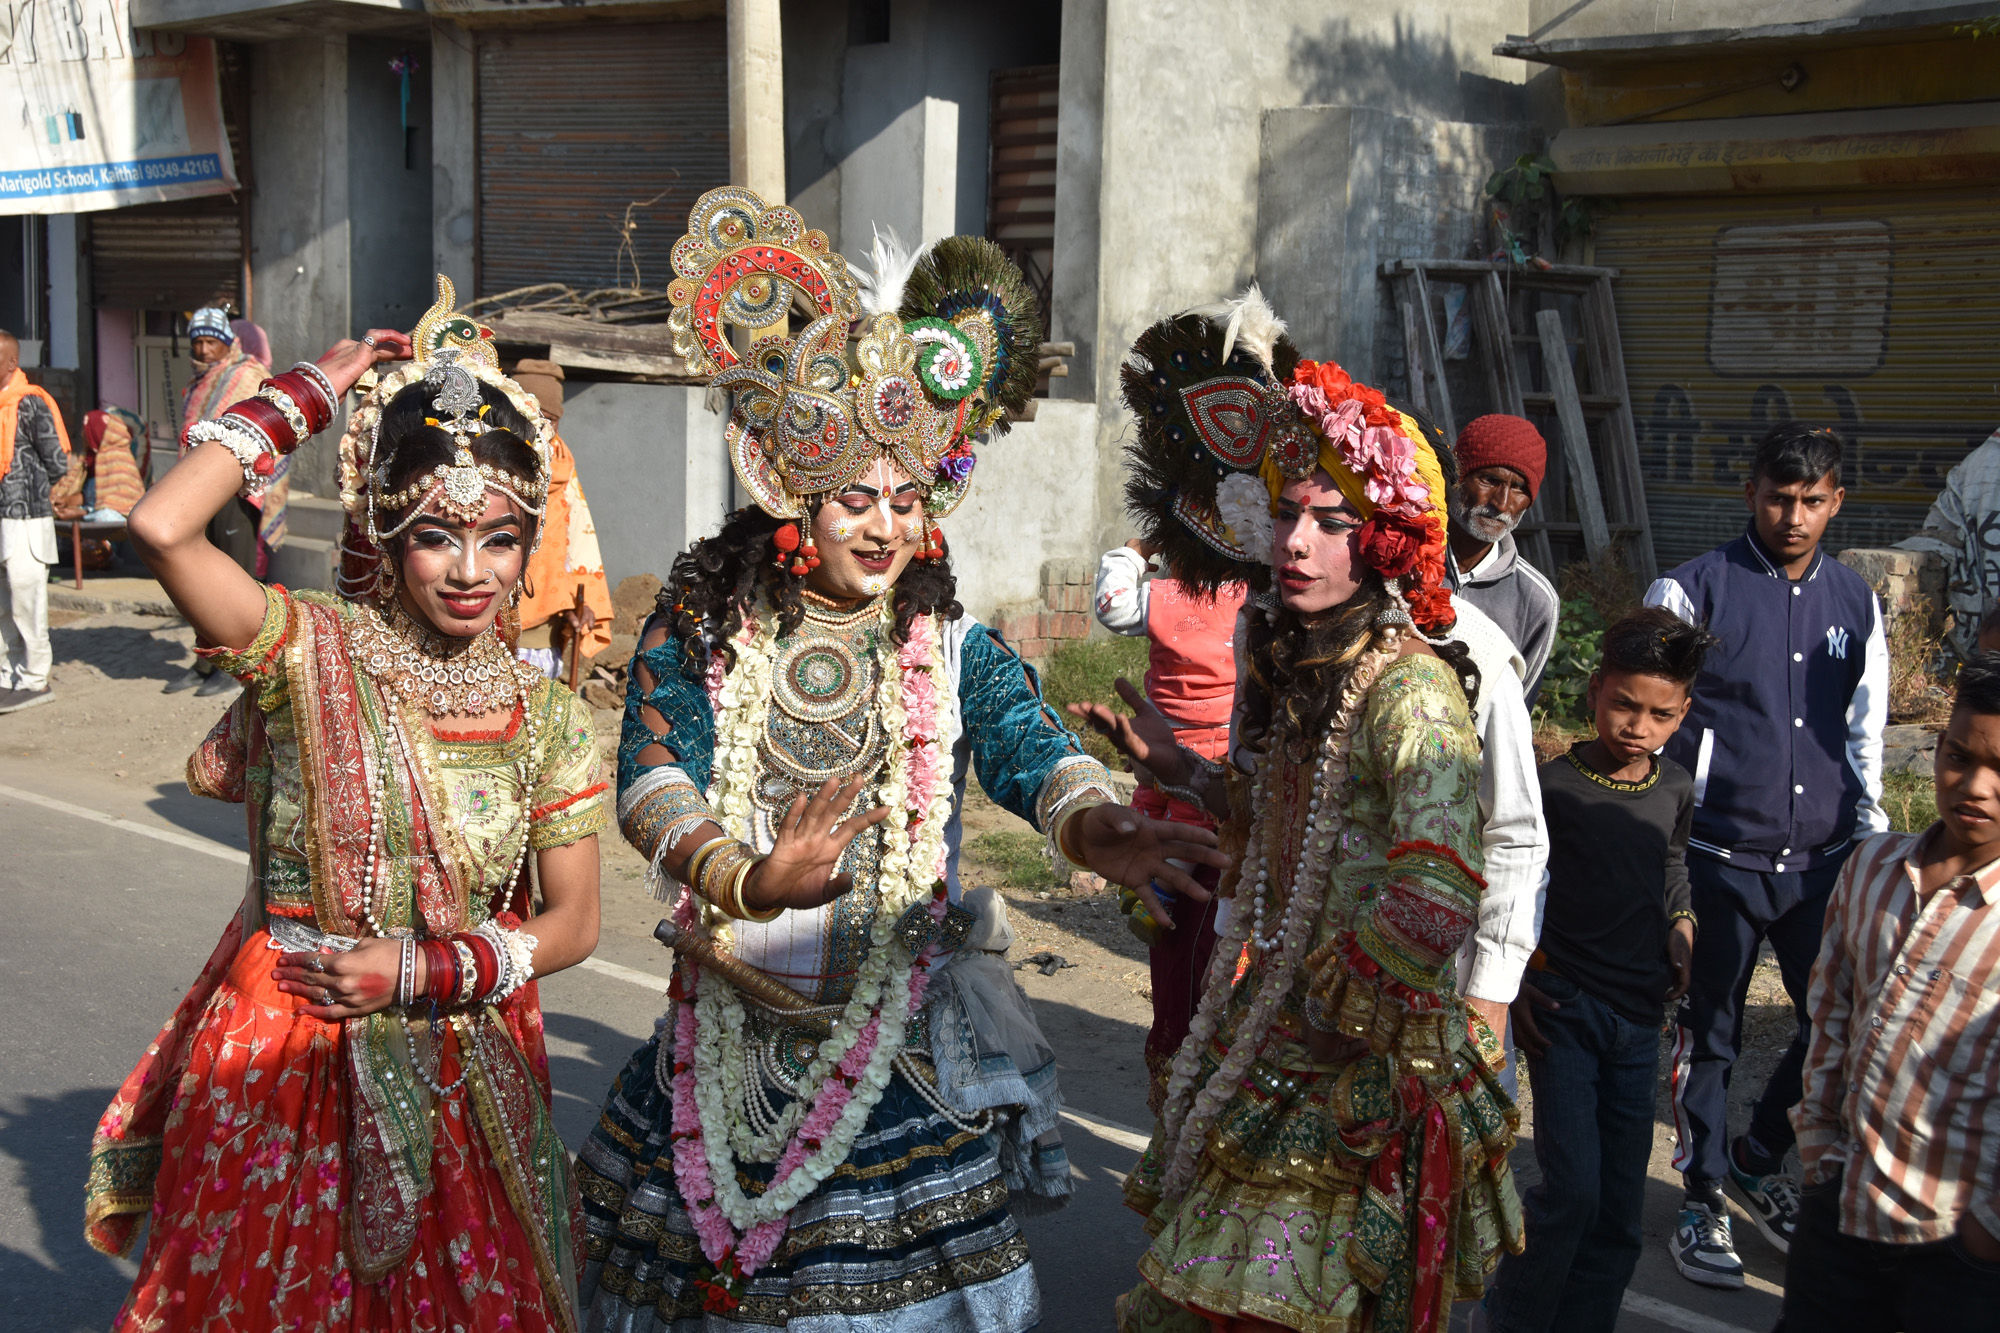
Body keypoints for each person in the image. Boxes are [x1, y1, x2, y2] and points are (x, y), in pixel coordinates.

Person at [573, 190, 1224, 1329]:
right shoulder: (700, 628)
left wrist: (1093, 823)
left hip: (894, 1050)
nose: (882, 525)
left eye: (905, 498)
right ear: (793, 498)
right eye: (854, 499)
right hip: (721, 1026)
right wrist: (744, 876)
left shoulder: (944, 645)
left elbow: (1029, 744)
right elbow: (650, 778)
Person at [85, 288, 607, 1330]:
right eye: (435, 537)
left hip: (460, 1052)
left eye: (501, 539)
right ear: (388, 532)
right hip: (289, 1037)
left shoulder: (544, 714)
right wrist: (308, 390)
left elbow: (576, 924)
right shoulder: (307, 649)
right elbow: (160, 523)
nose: (470, 571)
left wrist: (414, 970)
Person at [1086, 308, 1522, 1332]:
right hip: (1280, 1024)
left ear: (1378, 539)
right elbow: (1292, 829)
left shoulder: (1409, 687)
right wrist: (1187, 777)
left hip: (1354, 1058)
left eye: (1328, 522)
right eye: (1284, 513)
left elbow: (1438, 885)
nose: (1292, 541)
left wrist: (1330, 1006)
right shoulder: (1298, 668)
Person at [1645, 421, 1889, 1288]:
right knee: (1710, 1032)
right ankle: (1704, 1193)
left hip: (1822, 861)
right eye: (1780, 498)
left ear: (1836, 504)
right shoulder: (1690, 591)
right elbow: (1646, 729)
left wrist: (1867, 842)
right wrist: (1661, 852)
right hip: (1714, 855)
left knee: (1844, 1017)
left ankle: (1757, 1154)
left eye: (1813, 501)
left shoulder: (1856, 602)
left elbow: (1863, 734)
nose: (1794, 516)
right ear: (1751, 492)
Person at [1482, 607, 1715, 1332]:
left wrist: (1683, 922)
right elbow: (1514, 884)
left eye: (1659, 713)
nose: (1638, 725)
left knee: (1618, 1211)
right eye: (1624, 704)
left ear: (1682, 714)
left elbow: (1672, 864)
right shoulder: (1550, 785)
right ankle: (1510, 1320)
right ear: (1595, 690)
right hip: (1563, 1011)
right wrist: (1513, 984)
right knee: (1572, 1192)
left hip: (1640, 1018)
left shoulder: (1675, 787)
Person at [1778, 652, 2000, 1330]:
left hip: (1955, 1251)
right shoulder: (1873, 866)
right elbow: (1830, 1009)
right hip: (1838, 1211)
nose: (1975, 786)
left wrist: (1986, 1229)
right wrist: (1817, 1144)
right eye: (1959, 756)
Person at [1092, 532, 1246, 1111]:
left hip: (1158, 741)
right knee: (1190, 818)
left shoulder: (1162, 595)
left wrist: (1132, 552)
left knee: (1155, 810)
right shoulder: (1251, 602)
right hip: (1217, 753)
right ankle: (1165, 885)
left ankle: (1152, 888)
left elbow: (1111, 605)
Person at [171, 306, 285, 695]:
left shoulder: (247, 375)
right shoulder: (198, 383)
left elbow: (273, 425)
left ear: (227, 343)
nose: (203, 350)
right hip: (198, 489)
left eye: (210, 342)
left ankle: (236, 663)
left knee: (232, 575)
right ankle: (204, 661)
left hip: (236, 490)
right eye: (197, 342)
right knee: (194, 575)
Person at [507, 358, 612, 680]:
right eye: (528, 417)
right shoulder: (488, 464)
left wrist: (578, 599)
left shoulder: (563, 468)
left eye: (549, 420)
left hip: (543, 626)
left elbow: (578, 541)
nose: (540, 429)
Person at [1447, 414, 1559, 706]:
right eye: (1489, 480)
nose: (1501, 503)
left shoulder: (1535, 600)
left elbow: (1516, 712)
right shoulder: (1399, 560)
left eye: (1519, 488)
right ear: (1457, 477)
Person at [0, 328, 71, 715]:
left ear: (13, 362)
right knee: (1, 605)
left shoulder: (31, 403)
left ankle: (34, 678)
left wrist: (25, 481)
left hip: (25, 518)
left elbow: (58, 462)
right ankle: (5, 673)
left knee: (27, 599)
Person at [51, 405, 147, 522]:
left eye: (86, 430)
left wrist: (82, 514)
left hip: (114, 521)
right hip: (90, 513)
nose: (82, 434)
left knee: (105, 516)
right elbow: (89, 496)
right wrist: (66, 501)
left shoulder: (117, 459)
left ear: (95, 432)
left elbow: (117, 505)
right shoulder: (88, 460)